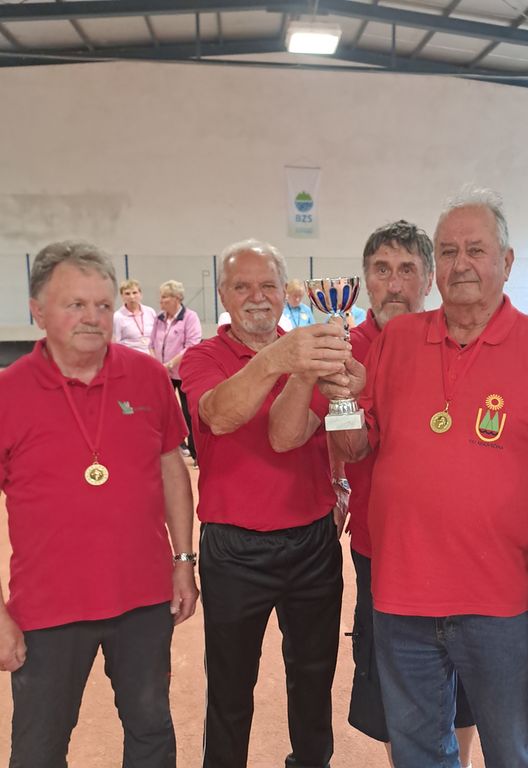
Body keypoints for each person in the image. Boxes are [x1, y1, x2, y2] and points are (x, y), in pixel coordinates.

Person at [271, 186, 528, 768]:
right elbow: (356, 446)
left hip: (499, 601)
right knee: (418, 753)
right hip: (401, 596)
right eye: (448, 251)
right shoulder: (397, 340)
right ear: (435, 266)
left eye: (476, 250)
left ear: (507, 261)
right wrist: (341, 397)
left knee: (512, 750)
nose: (461, 264)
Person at [0, 240, 198, 767]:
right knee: (39, 749)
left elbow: (171, 469)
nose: (93, 317)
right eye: (76, 304)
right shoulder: (7, 392)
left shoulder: (148, 376)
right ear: (37, 311)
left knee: (152, 733)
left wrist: (183, 561)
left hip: (143, 600)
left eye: (103, 305)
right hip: (48, 609)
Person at [179, 239, 351, 768]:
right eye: (242, 286)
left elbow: (297, 433)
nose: (257, 296)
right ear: (223, 295)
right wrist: (277, 359)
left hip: (312, 542)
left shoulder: (309, 354)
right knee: (230, 689)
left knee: (314, 682)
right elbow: (220, 415)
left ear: (284, 291)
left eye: (268, 285)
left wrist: (339, 480)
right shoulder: (202, 357)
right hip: (235, 550)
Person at [332, 220, 476, 768]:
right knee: (396, 685)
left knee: (463, 682)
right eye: (381, 270)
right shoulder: (344, 347)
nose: (394, 284)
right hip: (382, 548)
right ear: (365, 279)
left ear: (430, 279)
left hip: (459, 549)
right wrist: (337, 478)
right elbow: (336, 437)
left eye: (407, 270)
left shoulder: (458, 341)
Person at [150, 279, 202, 461]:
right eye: (161, 296)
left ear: (177, 298)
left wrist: (170, 364)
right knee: (162, 411)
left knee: (188, 413)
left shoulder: (190, 317)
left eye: (165, 297)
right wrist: (157, 364)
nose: (161, 301)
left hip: (184, 373)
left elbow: (192, 345)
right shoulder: (159, 318)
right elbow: (151, 343)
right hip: (163, 373)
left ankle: (196, 453)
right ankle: (169, 447)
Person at [113, 278, 156, 353]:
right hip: (130, 355)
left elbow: (157, 337)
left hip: (152, 355)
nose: (132, 297)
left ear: (140, 294)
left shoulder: (150, 312)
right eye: (127, 294)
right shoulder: (118, 316)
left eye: (135, 293)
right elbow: (116, 343)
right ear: (122, 296)